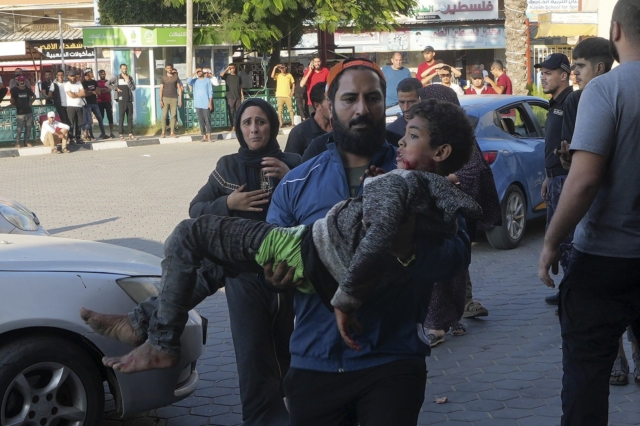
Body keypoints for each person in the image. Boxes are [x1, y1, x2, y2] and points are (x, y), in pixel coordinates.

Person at [269, 58, 470, 426]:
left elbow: (457, 255)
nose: (362, 108)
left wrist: (408, 248)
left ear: (384, 102)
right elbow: (269, 259)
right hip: (314, 363)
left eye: (372, 98)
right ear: (329, 106)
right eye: (350, 99)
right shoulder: (296, 182)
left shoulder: (417, 169)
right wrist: (273, 275)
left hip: (392, 360)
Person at [82, 97, 301, 425]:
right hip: (242, 276)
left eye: (261, 122)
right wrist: (228, 201)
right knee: (252, 362)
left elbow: (316, 204)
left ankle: (143, 322)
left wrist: (290, 174)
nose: (254, 129)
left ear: (273, 125)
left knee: (280, 356)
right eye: (247, 123)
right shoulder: (228, 167)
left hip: (281, 271)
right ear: (239, 129)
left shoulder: (295, 161)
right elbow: (196, 209)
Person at [538, 1, 640, 423]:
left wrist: (550, 242)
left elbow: (583, 181)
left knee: (586, 377)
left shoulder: (606, 89)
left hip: (605, 260)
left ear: (615, 30)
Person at [418, 84, 501, 346]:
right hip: (433, 210)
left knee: (449, 264)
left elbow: (473, 169)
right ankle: (451, 317)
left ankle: (441, 323)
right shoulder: (422, 131)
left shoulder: (459, 135)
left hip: (453, 213)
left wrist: (445, 178)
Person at [535, 53, 574, 310]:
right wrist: (549, 177)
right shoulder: (554, 103)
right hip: (555, 178)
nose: (543, 77)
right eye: (542, 72)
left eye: (548, 73)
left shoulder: (571, 101)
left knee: (566, 240)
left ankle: (573, 293)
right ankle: (566, 291)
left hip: (566, 177)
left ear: (563, 75)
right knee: (559, 239)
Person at [285, 82, 331, 156]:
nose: (336, 106)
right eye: (330, 102)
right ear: (317, 106)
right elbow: (291, 165)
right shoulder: (299, 133)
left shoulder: (342, 129)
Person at [386, 78, 422, 146]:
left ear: (421, 99)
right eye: (402, 102)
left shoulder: (433, 127)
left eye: (411, 102)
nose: (406, 108)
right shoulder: (391, 132)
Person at [107, 64, 136, 141]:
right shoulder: (117, 77)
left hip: (129, 100)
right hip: (121, 100)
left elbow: (133, 88)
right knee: (121, 117)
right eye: (123, 68)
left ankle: (130, 133)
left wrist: (128, 81)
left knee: (130, 118)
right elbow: (107, 84)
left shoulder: (130, 77)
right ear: (120, 69)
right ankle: (121, 134)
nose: (124, 70)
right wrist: (115, 88)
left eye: (126, 68)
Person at [81, 68, 107, 141]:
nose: (92, 74)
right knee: (90, 120)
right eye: (91, 73)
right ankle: (91, 136)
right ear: (87, 74)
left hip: (95, 103)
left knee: (100, 118)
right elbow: (85, 93)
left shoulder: (94, 82)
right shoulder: (84, 83)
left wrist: (94, 91)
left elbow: (98, 90)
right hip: (87, 104)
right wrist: (93, 92)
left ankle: (103, 133)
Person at [188, 68, 213, 141]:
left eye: (200, 71)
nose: (199, 73)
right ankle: (204, 136)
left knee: (207, 121)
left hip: (206, 104)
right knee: (201, 121)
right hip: (198, 104)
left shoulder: (207, 80)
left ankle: (209, 137)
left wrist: (210, 103)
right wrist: (193, 72)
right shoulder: (194, 81)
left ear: (203, 72)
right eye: (197, 72)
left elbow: (210, 92)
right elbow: (188, 81)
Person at [10, 76, 36, 148]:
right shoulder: (14, 90)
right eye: (20, 80)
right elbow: (11, 100)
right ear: (18, 81)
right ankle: (17, 143)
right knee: (19, 129)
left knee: (28, 128)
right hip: (20, 113)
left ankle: (26, 142)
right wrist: (15, 104)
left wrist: (31, 102)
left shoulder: (27, 89)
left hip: (28, 112)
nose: (22, 82)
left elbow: (34, 96)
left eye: (23, 80)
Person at [160, 63, 182, 138]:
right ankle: (163, 132)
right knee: (164, 115)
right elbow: (161, 89)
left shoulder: (175, 77)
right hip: (165, 98)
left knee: (173, 115)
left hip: (174, 98)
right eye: (168, 68)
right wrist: (161, 100)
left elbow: (179, 88)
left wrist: (180, 100)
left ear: (172, 69)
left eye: (170, 68)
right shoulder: (163, 77)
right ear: (165, 69)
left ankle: (172, 132)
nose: (169, 69)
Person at [64, 70, 87, 144]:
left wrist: (75, 93)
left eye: (74, 76)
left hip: (79, 106)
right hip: (71, 106)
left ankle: (78, 138)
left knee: (79, 123)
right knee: (71, 123)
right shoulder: (67, 85)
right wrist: (78, 94)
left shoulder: (79, 83)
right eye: (71, 76)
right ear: (68, 77)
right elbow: (71, 95)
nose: (73, 77)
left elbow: (83, 93)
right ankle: (70, 139)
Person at [220, 63, 243, 131]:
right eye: (231, 68)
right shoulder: (227, 76)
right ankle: (233, 126)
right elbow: (221, 75)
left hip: (238, 96)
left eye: (233, 68)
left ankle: (238, 125)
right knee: (231, 112)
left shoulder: (238, 77)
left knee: (239, 111)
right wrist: (227, 68)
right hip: (230, 97)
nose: (232, 69)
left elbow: (240, 87)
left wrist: (242, 95)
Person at [271, 63, 295, 128]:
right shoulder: (278, 75)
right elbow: (272, 76)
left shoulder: (289, 75)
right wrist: (275, 67)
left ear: (286, 68)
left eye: (283, 67)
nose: (282, 69)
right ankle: (281, 123)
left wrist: (292, 91)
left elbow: (293, 83)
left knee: (290, 109)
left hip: (287, 95)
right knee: (280, 110)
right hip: (280, 95)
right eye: (281, 68)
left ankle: (293, 122)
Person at [97, 69, 115, 139]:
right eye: (101, 74)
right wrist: (104, 89)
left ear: (105, 74)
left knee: (110, 117)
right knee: (101, 118)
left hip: (107, 102)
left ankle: (111, 133)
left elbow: (109, 90)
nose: (102, 75)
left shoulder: (108, 82)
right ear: (99, 75)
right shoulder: (97, 82)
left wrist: (101, 90)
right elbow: (97, 90)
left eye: (103, 74)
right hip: (100, 102)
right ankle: (102, 133)